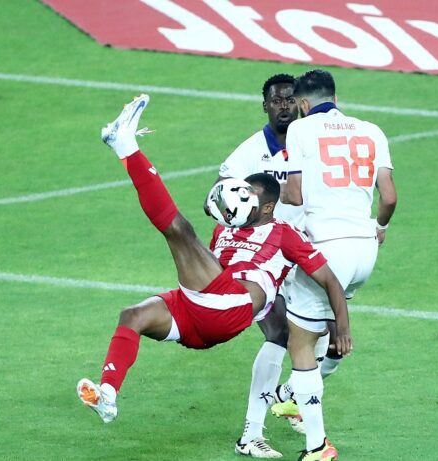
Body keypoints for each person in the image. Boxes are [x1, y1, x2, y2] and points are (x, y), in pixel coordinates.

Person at [75, 94, 354, 448]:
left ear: (269, 206)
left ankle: (125, 146)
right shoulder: (225, 229)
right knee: (132, 316)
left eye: (250, 195)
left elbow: (328, 278)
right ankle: (107, 395)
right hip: (197, 310)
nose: (242, 198)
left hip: (230, 305)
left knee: (179, 231)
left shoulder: (285, 233)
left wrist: (341, 325)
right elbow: (212, 257)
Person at [274, 69, 398, 460]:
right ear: (335, 98)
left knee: (300, 342)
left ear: (302, 103)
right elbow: (389, 197)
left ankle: (317, 445)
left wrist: (266, 189)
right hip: (365, 250)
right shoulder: (372, 131)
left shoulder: (300, 129)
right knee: (329, 326)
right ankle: (292, 393)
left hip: (326, 250)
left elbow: (295, 195)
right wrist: (380, 227)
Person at [217, 74, 329, 458]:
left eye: (289, 99)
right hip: (264, 260)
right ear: (265, 105)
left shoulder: (308, 143)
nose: (284, 106)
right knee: (280, 334)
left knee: (320, 329)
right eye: (276, 100)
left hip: (301, 251)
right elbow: (222, 196)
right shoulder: (250, 152)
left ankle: (291, 397)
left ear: (299, 103)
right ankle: (251, 434)